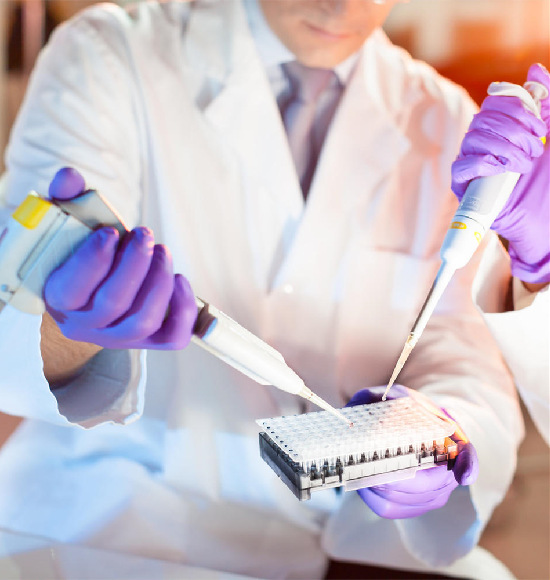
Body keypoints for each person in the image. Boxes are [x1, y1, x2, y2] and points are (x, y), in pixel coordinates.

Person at [0, 0, 547, 578]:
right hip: (104, 527)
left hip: (318, 539)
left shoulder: (442, 119)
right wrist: (67, 328)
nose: (340, 5)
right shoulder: (110, 53)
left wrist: (438, 433)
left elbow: (468, 369)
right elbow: (19, 313)